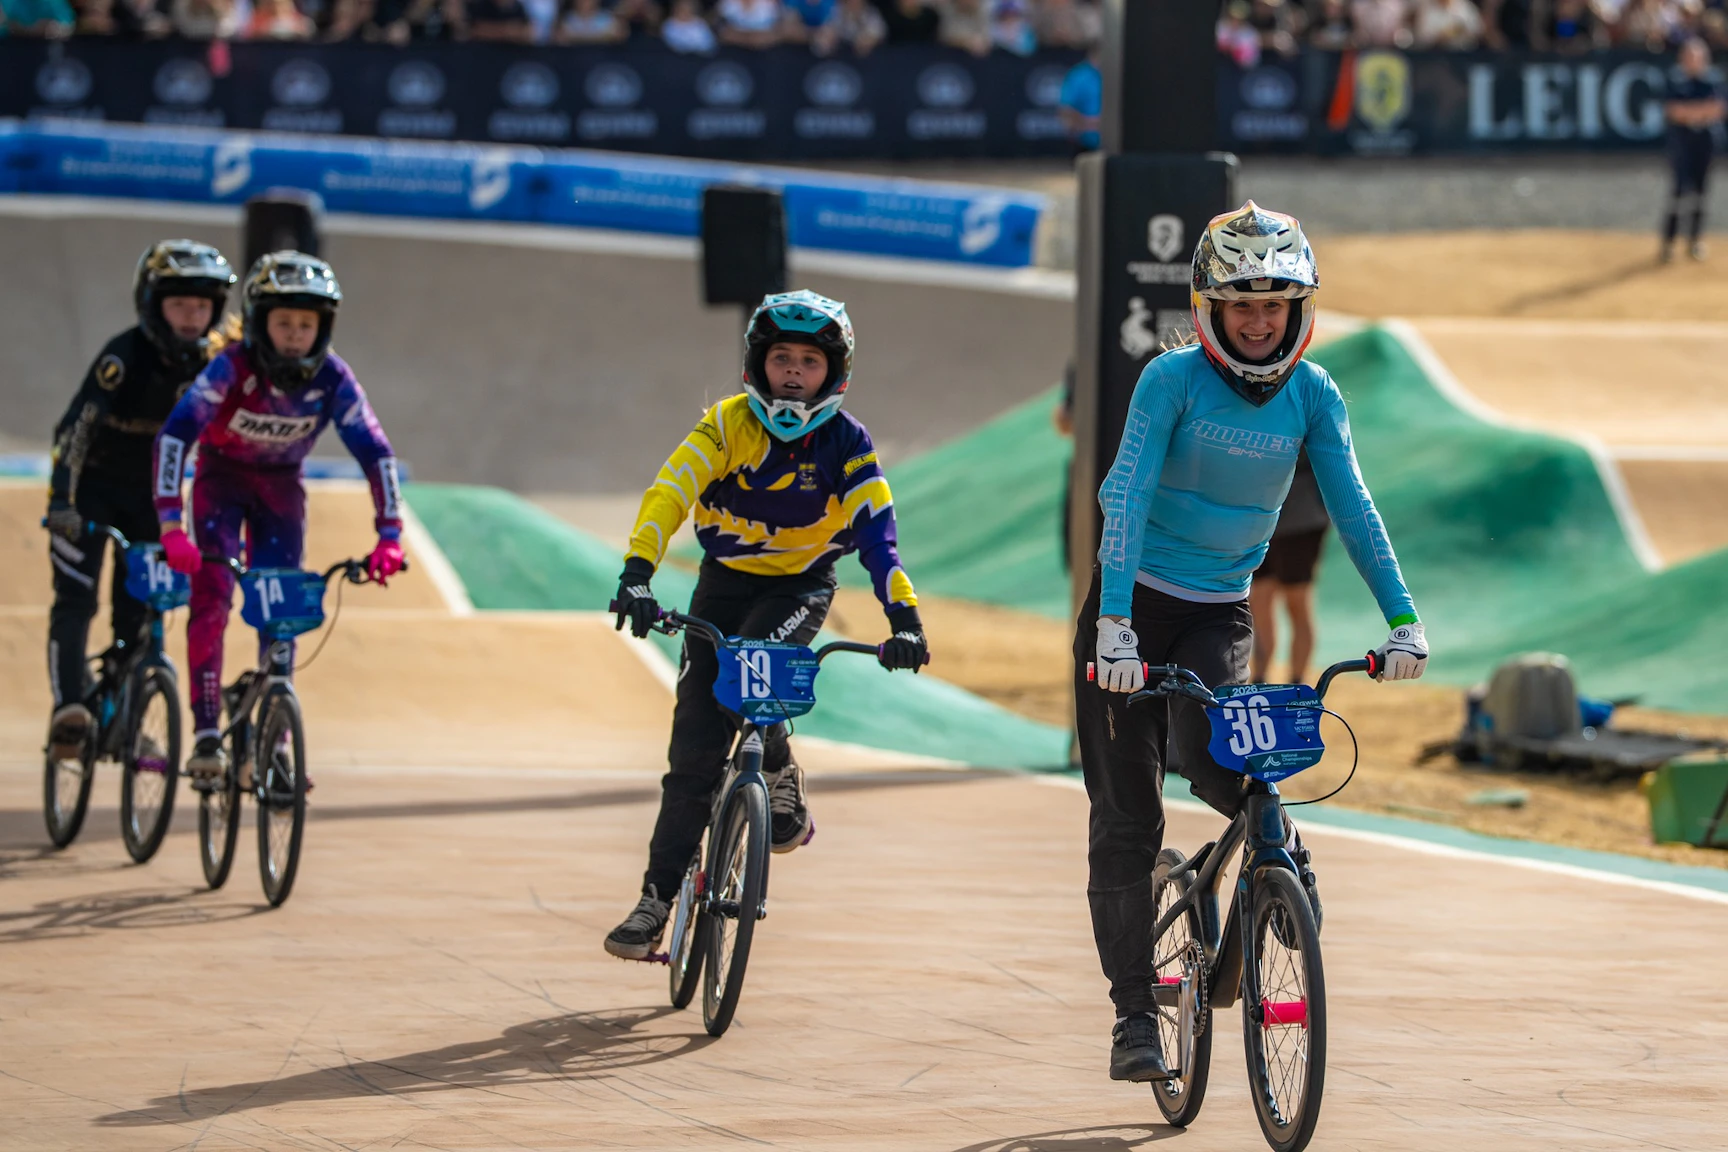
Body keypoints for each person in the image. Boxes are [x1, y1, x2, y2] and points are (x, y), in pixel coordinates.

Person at [1077, 202, 1427, 1083]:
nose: (1260, 321)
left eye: (1276, 304)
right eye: (1243, 305)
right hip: (1132, 606)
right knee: (1127, 818)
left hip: (1216, 612)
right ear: (1211, 308)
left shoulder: (1315, 394)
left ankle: (1275, 871)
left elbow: (1354, 508)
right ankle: (1133, 1018)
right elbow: (1123, 500)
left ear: (1299, 309)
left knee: (1225, 764)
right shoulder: (1172, 381)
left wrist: (1402, 618)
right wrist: (1115, 624)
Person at [604, 290, 930, 961]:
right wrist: (636, 573)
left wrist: (905, 620)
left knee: (753, 662)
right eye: (781, 356)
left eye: (807, 361)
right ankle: (655, 901)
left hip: (801, 588)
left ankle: (776, 762)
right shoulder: (724, 425)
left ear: (832, 374)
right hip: (720, 586)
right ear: (757, 363)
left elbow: (879, 539)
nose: (791, 372)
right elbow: (669, 492)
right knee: (692, 749)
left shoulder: (849, 443)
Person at [152, 252, 406, 783]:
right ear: (261, 320)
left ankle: (275, 736)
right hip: (220, 484)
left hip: (281, 491)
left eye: (306, 324)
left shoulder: (334, 377)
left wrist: (389, 535)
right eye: (284, 322)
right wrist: (172, 524)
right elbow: (176, 434)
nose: (294, 335)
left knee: (281, 609)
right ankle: (204, 733)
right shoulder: (231, 367)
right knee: (213, 597)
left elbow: (376, 452)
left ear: (324, 328)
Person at [44, 241, 236, 761]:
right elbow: (76, 429)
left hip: (153, 503)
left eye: (203, 307)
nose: (193, 318)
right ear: (153, 306)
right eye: (180, 306)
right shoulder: (122, 357)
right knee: (77, 600)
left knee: (139, 614)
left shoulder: (215, 365)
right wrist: (62, 500)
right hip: (90, 496)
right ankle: (69, 711)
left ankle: (129, 719)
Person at [1248, 446, 1330, 685]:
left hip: (1300, 517)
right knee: (1258, 599)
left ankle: (1297, 683)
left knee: (1296, 600)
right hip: (1258, 515)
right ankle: (1259, 680)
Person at [1663, 36, 1725, 262]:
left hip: (1706, 143)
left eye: (1697, 57)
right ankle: (1669, 242)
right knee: (1678, 192)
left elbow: (1718, 109)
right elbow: (1673, 111)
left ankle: (1695, 240)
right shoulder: (1676, 81)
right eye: (1689, 56)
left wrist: (1690, 113)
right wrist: (1700, 113)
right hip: (1682, 144)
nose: (1693, 61)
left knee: (1701, 193)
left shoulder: (1712, 81)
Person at [1058, 40, 1101, 151]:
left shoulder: (1118, 74)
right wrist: (1091, 123)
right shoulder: (1078, 76)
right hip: (1085, 146)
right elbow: (1066, 112)